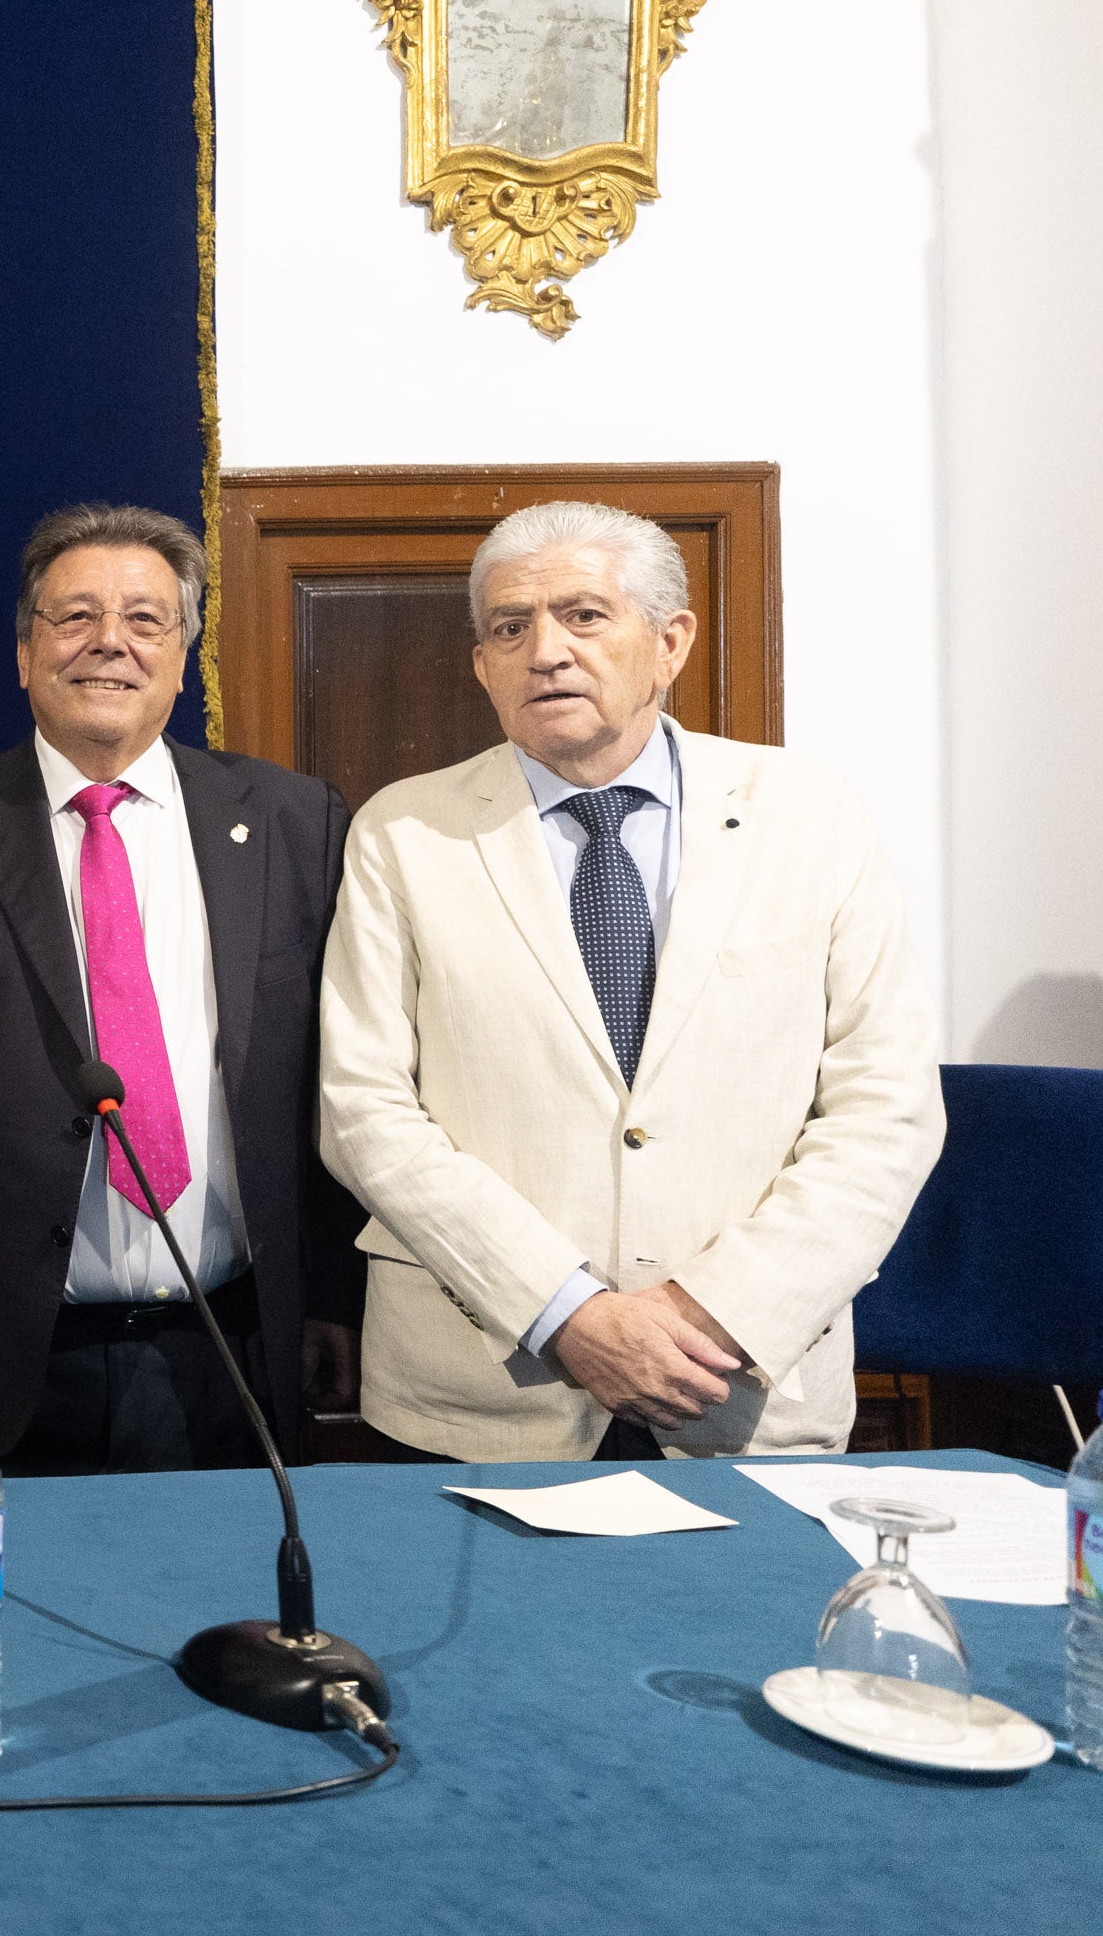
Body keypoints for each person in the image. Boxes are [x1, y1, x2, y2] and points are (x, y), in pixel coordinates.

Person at [320, 501, 942, 1461]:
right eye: (510, 627)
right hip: (483, 1397)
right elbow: (364, 1113)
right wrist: (566, 1310)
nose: (547, 651)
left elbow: (887, 1111)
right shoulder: (404, 832)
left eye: (585, 615)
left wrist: (709, 1313)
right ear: (482, 664)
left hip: (738, 1393)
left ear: (671, 641)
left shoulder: (811, 817)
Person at [0, 503, 360, 1473]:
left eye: (144, 619)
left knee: (221, 1616)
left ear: (182, 656)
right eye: (73, 616)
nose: (107, 640)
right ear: (24, 652)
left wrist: (331, 1296)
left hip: (231, 1345)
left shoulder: (289, 818)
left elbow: (328, 1081)